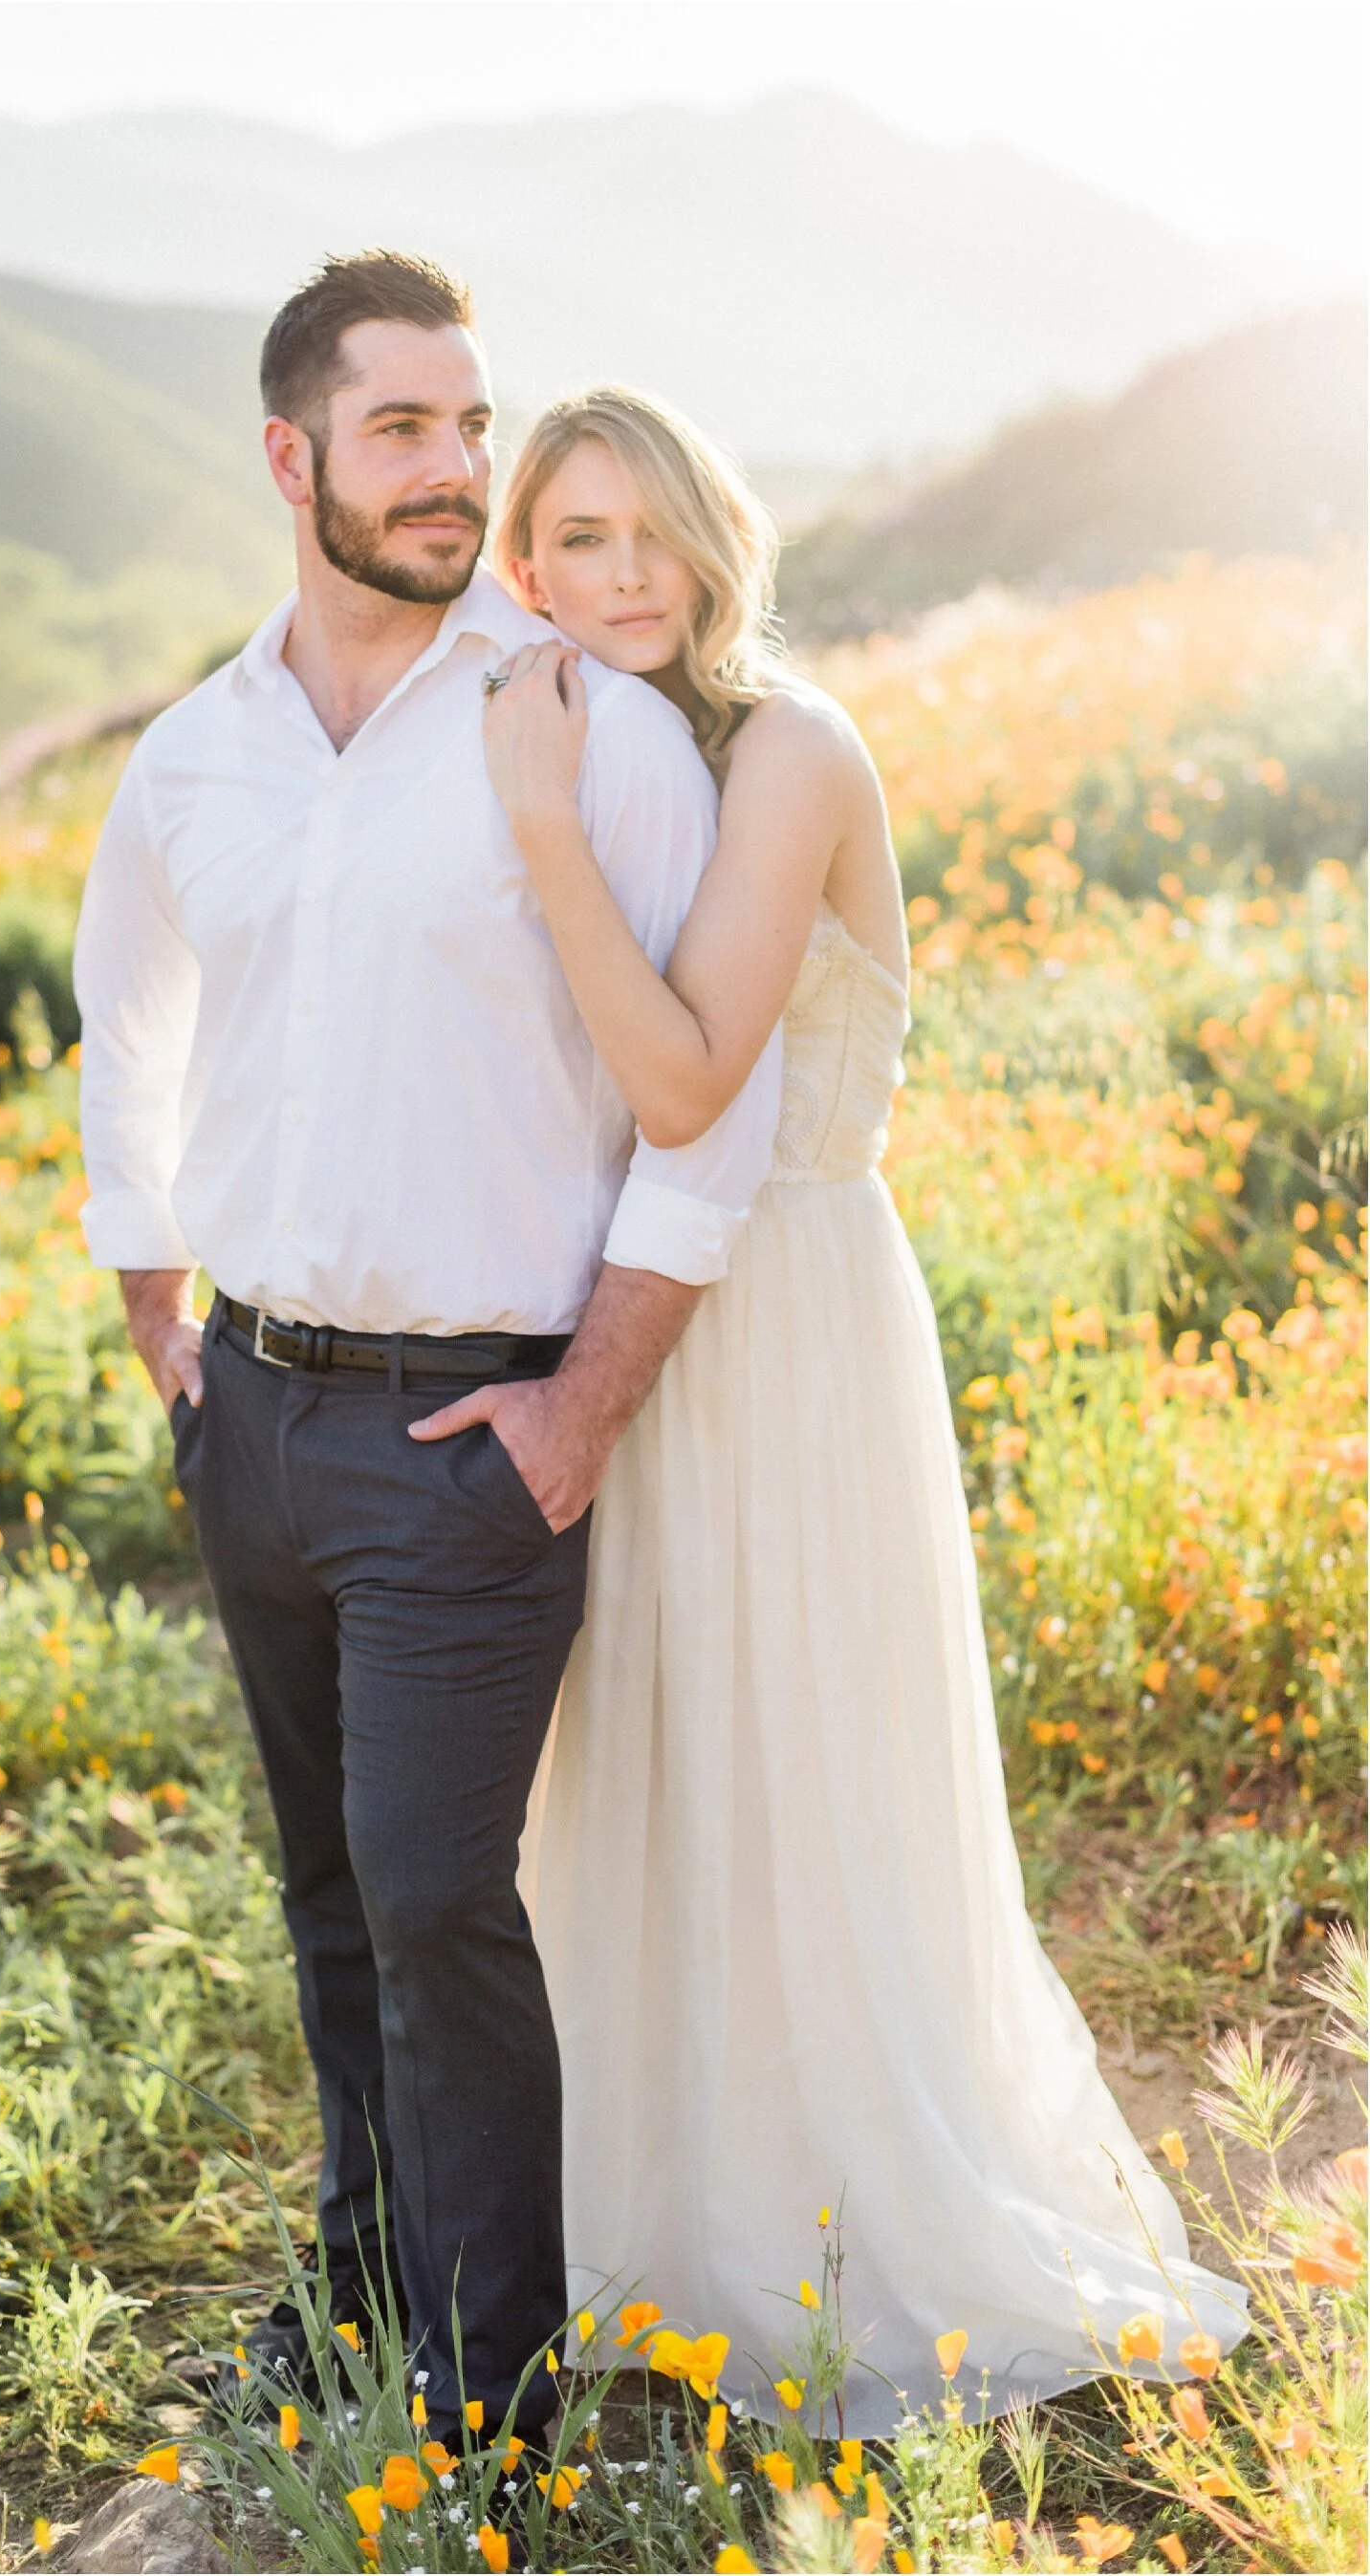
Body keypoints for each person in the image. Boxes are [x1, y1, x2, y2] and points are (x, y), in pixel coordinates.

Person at [486, 386, 1250, 2433]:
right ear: (522, 564)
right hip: (636, 1313)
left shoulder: (794, 750)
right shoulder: (579, 730)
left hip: (796, 1314)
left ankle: (822, 2212)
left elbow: (685, 1080)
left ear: (716, 541)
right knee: (643, 1747)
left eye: (649, 531)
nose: (620, 572)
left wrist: (544, 834)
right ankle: (641, 2200)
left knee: (799, 1751)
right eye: (575, 538)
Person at [72, 263, 781, 2443]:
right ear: (292, 460)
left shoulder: (583, 727)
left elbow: (707, 1107)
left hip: (472, 1430)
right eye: (404, 430)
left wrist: (580, 1410)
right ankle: (364, 2287)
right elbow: (132, 1019)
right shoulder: (199, 749)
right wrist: (158, 1310)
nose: (460, 470)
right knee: (326, 1896)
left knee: (436, 1901)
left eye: (471, 426)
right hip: (255, 1420)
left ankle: (485, 2395)